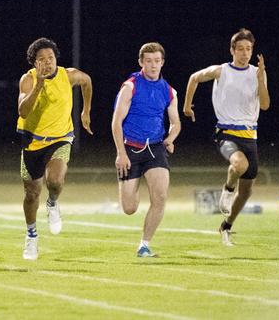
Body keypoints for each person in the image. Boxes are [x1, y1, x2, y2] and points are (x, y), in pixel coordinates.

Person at [183, 28, 269, 246]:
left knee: (247, 192)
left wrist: (260, 78)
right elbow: (194, 78)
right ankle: (228, 188)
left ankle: (226, 225)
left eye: (248, 49)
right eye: (240, 49)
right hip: (226, 133)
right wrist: (186, 106)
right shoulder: (221, 71)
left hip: (250, 136)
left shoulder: (257, 73)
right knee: (239, 164)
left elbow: (265, 105)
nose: (245, 53)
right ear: (232, 50)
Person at [17, 37, 93, 260]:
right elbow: (22, 111)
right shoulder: (28, 80)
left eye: (50, 58)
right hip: (33, 141)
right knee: (31, 194)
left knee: (55, 181)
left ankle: (52, 203)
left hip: (61, 138)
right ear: (34, 63)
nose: (47, 62)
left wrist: (85, 111)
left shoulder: (68, 75)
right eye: (41, 59)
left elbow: (87, 81)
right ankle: (31, 236)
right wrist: (40, 85)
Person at [111, 42, 181, 257]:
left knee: (160, 197)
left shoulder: (169, 91)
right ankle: (132, 187)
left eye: (157, 61)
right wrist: (121, 153)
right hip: (130, 149)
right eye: (148, 61)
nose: (153, 65)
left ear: (162, 63)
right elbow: (116, 122)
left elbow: (176, 123)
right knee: (129, 208)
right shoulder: (130, 86)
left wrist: (170, 138)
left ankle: (144, 245)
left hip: (155, 148)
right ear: (141, 62)